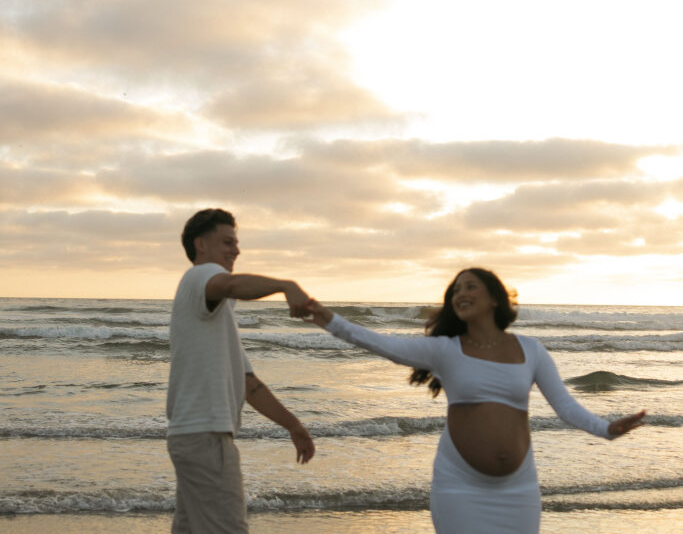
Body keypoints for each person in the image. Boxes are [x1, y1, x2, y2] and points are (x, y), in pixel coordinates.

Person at [304, 268, 645, 534]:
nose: (460, 294)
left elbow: (565, 406)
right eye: (455, 290)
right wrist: (324, 317)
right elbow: (380, 343)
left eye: (470, 287)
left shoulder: (531, 349)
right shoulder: (444, 350)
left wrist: (606, 429)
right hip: (459, 486)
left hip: (519, 488)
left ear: (495, 298)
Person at [167, 208, 315, 534]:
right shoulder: (200, 276)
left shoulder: (218, 314)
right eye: (227, 242)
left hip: (194, 437)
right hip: (205, 437)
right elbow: (231, 284)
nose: (237, 250)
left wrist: (293, 425)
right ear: (200, 245)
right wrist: (284, 285)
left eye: (236, 243)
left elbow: (249, 385)